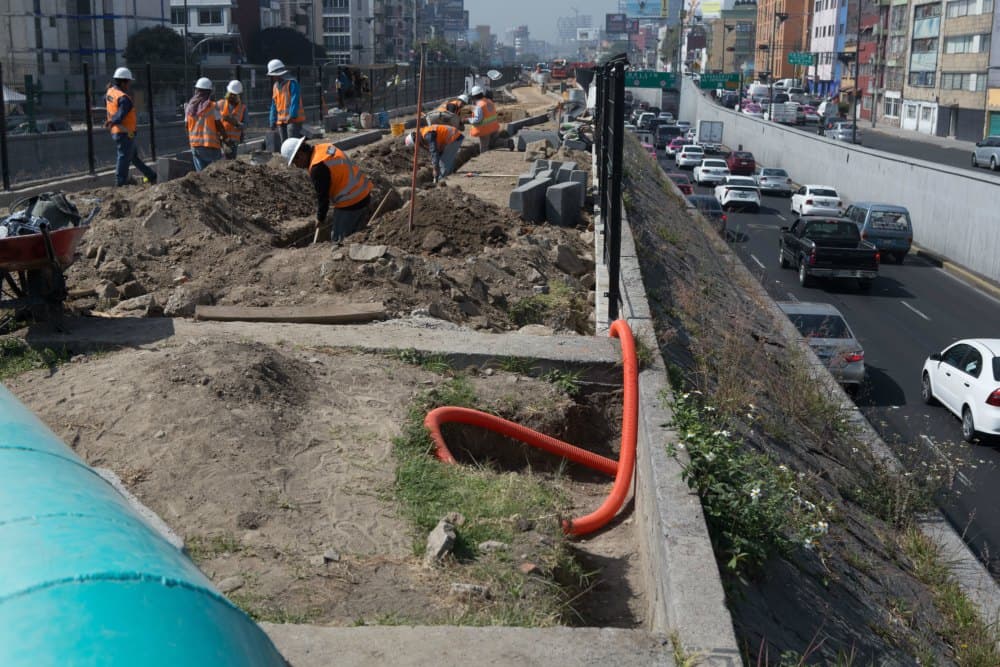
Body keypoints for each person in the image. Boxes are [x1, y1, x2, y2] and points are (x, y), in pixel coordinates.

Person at [281, 137, 372, 244]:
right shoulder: (324, 147)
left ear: (300, 155)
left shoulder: (317, 167)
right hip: (363, 192)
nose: (297, 166)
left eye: (295, 162)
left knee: (339, 241)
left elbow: (323, 197)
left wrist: (320, 218)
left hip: (351, 201)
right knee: (358, 235)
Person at [104, 67, 157, 186]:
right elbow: (120, 115)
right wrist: (112, 121)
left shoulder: (110, 92)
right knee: (123, 156)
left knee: (132, 156)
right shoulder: (124, 98)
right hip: (125, 132)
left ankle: (151, 175)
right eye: (128, 82)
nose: (129, 85)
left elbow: (109, 106)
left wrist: (110, 120)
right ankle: (121, 182)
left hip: (118, 131)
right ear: (123, 82)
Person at [185, 77, 225, 171]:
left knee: (201, 175)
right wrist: (226, 139)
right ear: (209, 92)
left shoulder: (189, 107)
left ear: (196, 90)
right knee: (216, 174)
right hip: (211, 146)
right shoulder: (212, 106)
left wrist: (192, 142)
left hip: (195, 146)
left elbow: (186, 126)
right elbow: (219, 125)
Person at [268, 59, 305, 142]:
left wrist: (292, 115)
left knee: (292, 142)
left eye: (273, 75)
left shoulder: (292, 83)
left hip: (293, 120)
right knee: (284, 144)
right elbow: (274, 104)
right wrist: (272, 120)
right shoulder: (275, 86)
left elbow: (295, 99)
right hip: (281, 121)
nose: (272, 77)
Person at [468, 85, 500, 154]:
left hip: (484, 130)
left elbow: (477, 119)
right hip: (493, 127)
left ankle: (483, 158)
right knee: (494, 142)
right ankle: (507, 143)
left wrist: (468, 120)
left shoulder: (479, 106)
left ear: (475, 96)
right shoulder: (489, 101)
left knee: (483, 148)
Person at [219, 80, 246, 160]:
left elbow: (245, 124)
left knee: (230, 161)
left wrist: (237, 124)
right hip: (220, 139)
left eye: (234, 95)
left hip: (233, 141)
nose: (232, 96)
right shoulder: (220, 104)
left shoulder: (243, 108)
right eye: (231, 94)